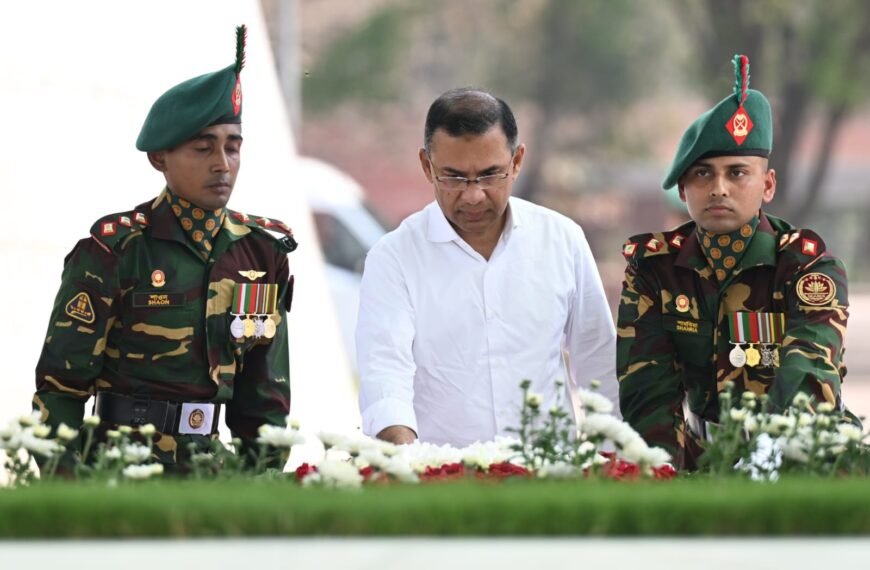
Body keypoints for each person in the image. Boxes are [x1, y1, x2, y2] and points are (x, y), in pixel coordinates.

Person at [32, 25, 297, 472]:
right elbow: (60, 386)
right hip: (121, 469)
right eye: (202, 148)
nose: (222, 164)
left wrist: (260, 487)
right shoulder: (117, 250)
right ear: (160, 158)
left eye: (233, 148)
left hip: (213, 471)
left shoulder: (261, 253)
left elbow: (264, 401)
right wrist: (69, 485)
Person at [617, 54, 858, 469]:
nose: (719, 189)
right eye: (703, 174)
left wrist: (772, 453)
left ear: (767, 185)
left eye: (737, 173)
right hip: (700, 453)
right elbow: (648, 390)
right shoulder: (654, 269)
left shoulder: (806, 267)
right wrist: (661, 474)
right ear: (683, 188)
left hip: (805, 454)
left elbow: (809, 372)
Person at [356, 87, 619, 447]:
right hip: (441, 481)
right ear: (426, 166)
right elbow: (385, 371)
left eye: (490, 175)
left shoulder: (562, 240)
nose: (473, 195)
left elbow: (599, 363)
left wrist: (612, 459)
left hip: (549, 475)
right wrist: (407, 461)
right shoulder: (394, 257)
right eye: (453, 177)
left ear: (517, 161)